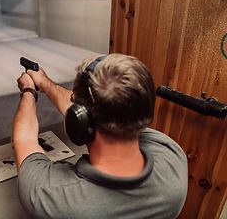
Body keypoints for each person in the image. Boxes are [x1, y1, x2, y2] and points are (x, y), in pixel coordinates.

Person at [12, 53, 188, 219]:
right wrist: (44, 82)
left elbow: (25, 140)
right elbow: (102, 111)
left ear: (78, 121)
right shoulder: (171, 158)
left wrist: (29, 90)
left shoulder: (49, 196)